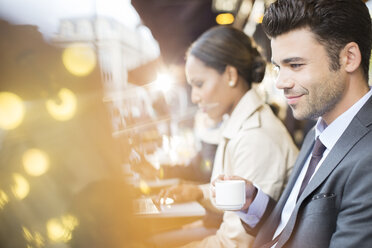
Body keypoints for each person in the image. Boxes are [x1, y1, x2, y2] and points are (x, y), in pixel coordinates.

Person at [218, 0, 372, 247]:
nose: (280, 82)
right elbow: (291, 228)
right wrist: (253, 203)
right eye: (279, 67)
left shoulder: (367, 157)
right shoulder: (317, 134)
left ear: (349, 58)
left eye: (296, 65)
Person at [153, 25, 298, 248]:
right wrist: (196, 193)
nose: (194, 97)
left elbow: (235, 244)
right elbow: (235, 202)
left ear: (230, 75)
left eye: (199, 84)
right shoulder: (240, 124)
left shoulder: (255, 138)